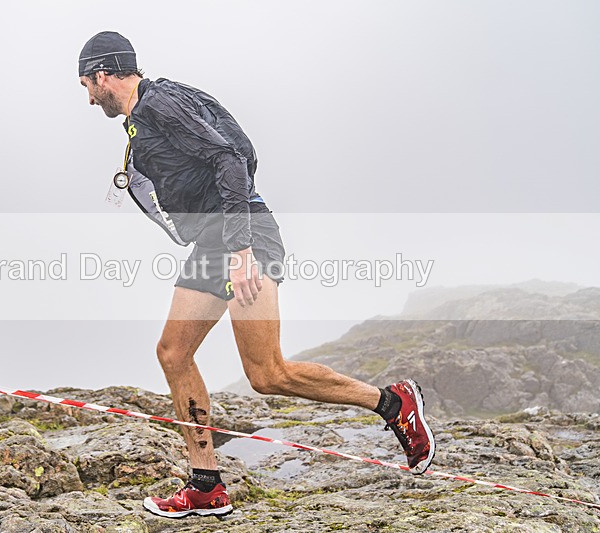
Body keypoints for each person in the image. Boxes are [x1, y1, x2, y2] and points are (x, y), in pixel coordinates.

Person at [77, 31, 435, 519]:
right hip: (213, 240)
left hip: (243, 236)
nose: (87, 96)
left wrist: (242, 247)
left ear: (102, 74)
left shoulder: (159, 104)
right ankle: (205, 486)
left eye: (86, 85)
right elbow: (228, 156)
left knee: (268, 374)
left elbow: (230, 158)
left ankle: (394, 404)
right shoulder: (150, 110)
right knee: (173, 352)